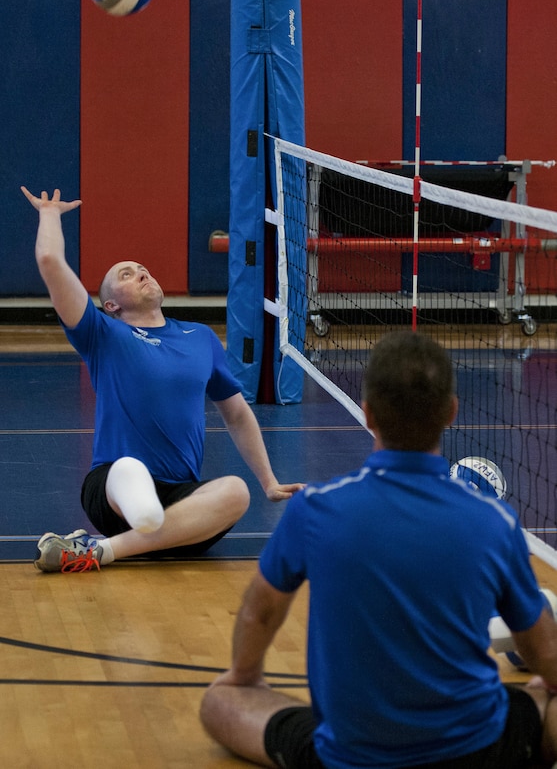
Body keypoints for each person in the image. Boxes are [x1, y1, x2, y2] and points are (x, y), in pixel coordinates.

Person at [200, 330, 557, 768]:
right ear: (451, 412)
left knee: (220, 702)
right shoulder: (495, 520)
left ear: (367, 414)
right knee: (543, 695)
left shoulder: (314, 508)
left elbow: (261, 611)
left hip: (351, 755)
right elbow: (542, 650)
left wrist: (244, 678)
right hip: (476, 750)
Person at [21, 186, 304, 573]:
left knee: (236, 492)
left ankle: (102, 550)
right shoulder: (102, 334)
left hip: (181, 502)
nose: (141, 272)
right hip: (113, 488)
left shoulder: (201, 338)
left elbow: (237, 414)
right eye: (126, 273)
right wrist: (50, 213)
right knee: (130, 471)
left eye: (142, 268)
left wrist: (269, 482)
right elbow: (50, 260)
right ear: (111, 305)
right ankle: (139, 524)